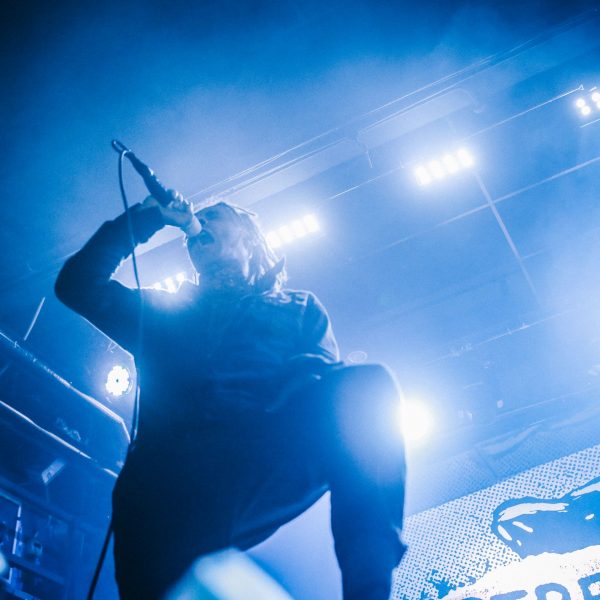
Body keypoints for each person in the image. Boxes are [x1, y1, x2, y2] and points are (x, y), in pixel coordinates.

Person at [55, 191, 406, 600]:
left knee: (365, 386)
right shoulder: (163, 312)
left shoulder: (297, 307)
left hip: (253, 459)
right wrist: (147, 218)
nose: (199, 222)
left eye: (215, 216)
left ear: (248, 238)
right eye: (198, 218)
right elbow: (78, 285)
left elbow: (324, 384)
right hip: (163, 487)